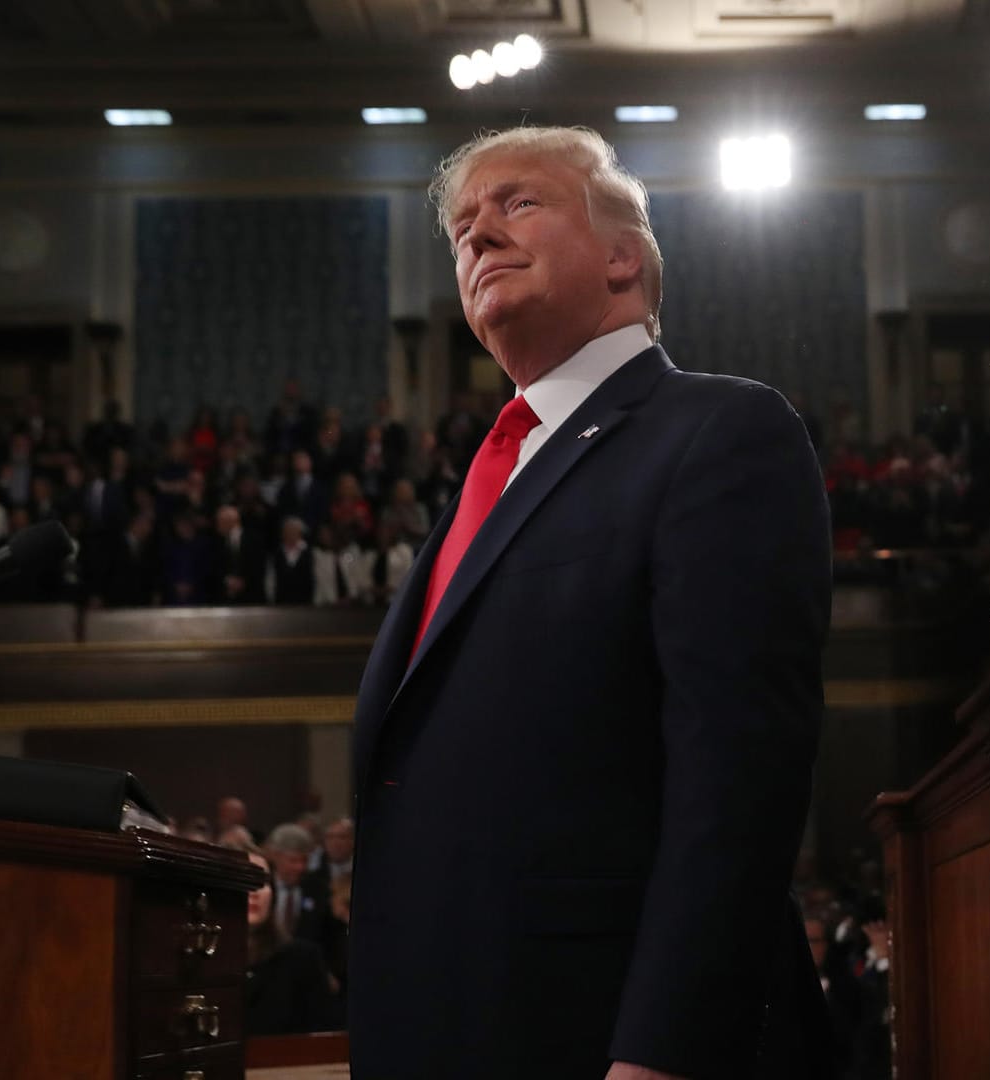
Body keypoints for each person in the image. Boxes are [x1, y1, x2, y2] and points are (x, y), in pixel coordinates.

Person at [347, 126, 833, 1080]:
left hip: (604, 1038)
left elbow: (738, 776)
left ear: (623, 256)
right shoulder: (488, 482)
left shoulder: (718, 432)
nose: (477, 236)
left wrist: (665, 1051)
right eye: (459, 229)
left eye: (517, 202)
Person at [221, 835, 342, 1036]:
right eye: (241, 878)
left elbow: (324, 1040)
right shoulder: (191, 962)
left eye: (262, 881)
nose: (255, 891)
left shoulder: (302, 959)